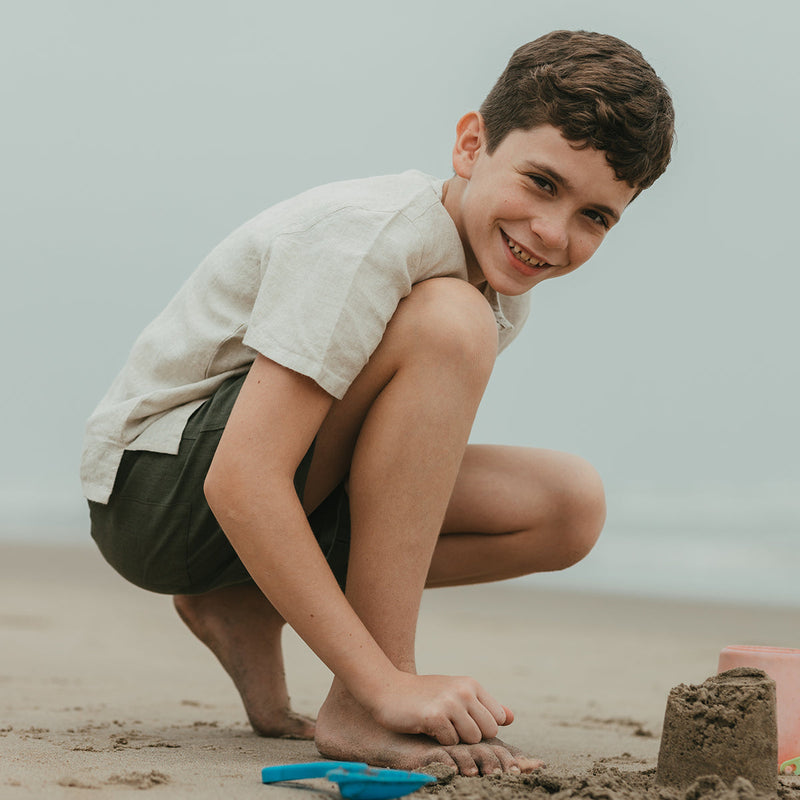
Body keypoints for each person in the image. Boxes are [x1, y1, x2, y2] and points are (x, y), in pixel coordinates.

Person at [81, 29, 674, 777]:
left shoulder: (495, 287)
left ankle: (239, 600)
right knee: (453, 322)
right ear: (470, 145)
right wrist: (383, 684)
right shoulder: (374, 241)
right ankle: (362, 705)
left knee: (567, 506)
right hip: (154, 492)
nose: (552, 233)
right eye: (542, 183)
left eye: (596, 217)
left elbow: (393, 476)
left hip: (252, 496)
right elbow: (241, 478)